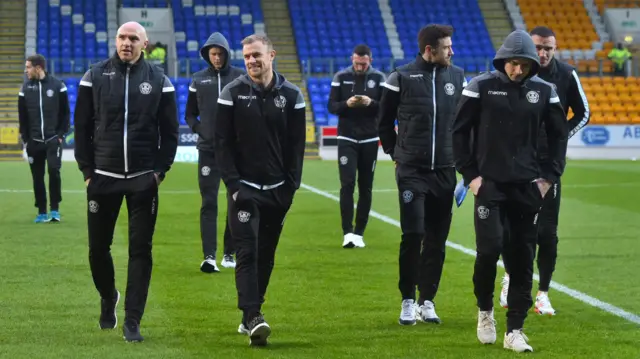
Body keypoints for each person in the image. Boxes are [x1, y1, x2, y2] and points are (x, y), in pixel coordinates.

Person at [452, 30, 568, 352]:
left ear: (533, 64)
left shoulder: (545, 91)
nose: (517, 71)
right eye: (512, 64)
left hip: (528, 189)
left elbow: (559, 136)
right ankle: (485, 312)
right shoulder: (480, 86)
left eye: (524, 65)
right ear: (503, 61)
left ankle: (514, 329)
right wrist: (471, 176)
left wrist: (548, 178)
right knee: (488, 251)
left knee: (522, 259)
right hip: (489, 186)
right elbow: (459, 133)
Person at [74, 21, 179, 343]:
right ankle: (109, 296)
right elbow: (81, 127)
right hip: (102, 177)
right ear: (115, 40)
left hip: (141, 180)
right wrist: (87, 171)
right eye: (121, 37)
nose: (127, 43)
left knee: (140, 251)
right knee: (97, 250)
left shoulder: (159, 80)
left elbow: (170, 133)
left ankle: (133, 319)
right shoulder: (94, 76)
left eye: (134, 38)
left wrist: (158, 171)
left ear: (144, 44)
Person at [214, 34, 306, 346]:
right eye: (247, 56)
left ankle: (251, 313)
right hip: (244, 189)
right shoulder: (232, 93)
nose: (252, 61)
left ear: (272, 55)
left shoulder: (292, 95)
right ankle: (253, 316)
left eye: (257, 55)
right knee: (247, 251)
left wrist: (291, 187)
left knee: (266, 254)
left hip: (278, 190)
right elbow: (222, 143)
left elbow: (296, 146)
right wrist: (233, 185)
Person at [378, 24, 466, 326]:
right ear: (429, 50)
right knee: (413, 234)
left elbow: (463, 124)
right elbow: (383, 121)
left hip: (444, 170)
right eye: (446, 48)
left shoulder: (457, 76)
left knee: (437, 240)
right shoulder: (400, 77)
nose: (452, 52)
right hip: (412, 171)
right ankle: (406, 300)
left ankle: (427, 300)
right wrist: (397, 155)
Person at [499, 26, 591, 315]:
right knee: (511, 229)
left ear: (555, 48)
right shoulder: (518, 72)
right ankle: (510, 278)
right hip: (517, 164)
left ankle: (543, 294)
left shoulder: (566, 74)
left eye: (548, 48)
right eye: (538, 47)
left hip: (548, 167)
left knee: (547, 234)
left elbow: (584, 112)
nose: (543, 53)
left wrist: (559, 136)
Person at [185, 32, 245, 272]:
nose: (217, 58)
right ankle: (209, 256)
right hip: (208, 151)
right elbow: (190, 114)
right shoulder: (198, 79)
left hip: (235, 152)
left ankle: (229, 254)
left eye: (220, 53)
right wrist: (201, 130)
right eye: (213, 54)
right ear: (207, 55)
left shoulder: (240, 77)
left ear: (227, 54)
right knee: (208, 202)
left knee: (235, 201)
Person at [327, 43, 386, 249]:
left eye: (363, 64)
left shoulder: (379, 78)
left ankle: (359, 232)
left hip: (370, 137)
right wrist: (347, 104)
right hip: (347, 137)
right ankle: (347, 232)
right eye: (357, 63)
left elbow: (385, 107)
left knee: (366, 186)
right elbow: (332, 106)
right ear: (352, 59)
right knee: (347, 184)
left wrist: (371, 103)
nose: (360, 67)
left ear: (370, 60)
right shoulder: (340, 77)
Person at [18, 54, 70, 223]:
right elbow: (22, 117)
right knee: (37, 177)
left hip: (53, 139)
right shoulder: (25, 89)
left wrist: (61, 135)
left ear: (38, 68)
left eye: (28, 67)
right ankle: (41, 211)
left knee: (54, 171)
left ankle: (55, 209)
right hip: (34, 142)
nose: (26, 71)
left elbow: (65, 113)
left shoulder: (57, 85)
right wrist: (26, 139)